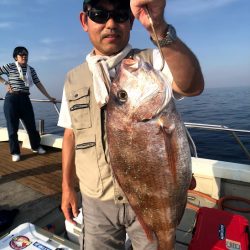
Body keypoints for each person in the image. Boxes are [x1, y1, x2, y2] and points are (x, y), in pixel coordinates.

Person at [58, 0, 204, 249]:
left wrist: (158, 28)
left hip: (151, 200)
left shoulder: (151, 62)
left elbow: (192, 85)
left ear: (131, 22)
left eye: (121, 15)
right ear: (85, 21)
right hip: (95, 201)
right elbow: (71, 135)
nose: (111, 23)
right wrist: (67, 187)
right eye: (99, 14)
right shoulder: (73, 78)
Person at [0, 46, 56, 162]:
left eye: (26, 54)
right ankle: (15, 152)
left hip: (25, 99)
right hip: (11, 99)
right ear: (16, 57)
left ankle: (36, 146)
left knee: (31, 125)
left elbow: (38, 84)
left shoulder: (31, 70)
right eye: (21, 55)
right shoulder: (10, 66)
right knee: (12, 128)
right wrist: (5, 83)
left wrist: (49, 97)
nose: (24, 56)